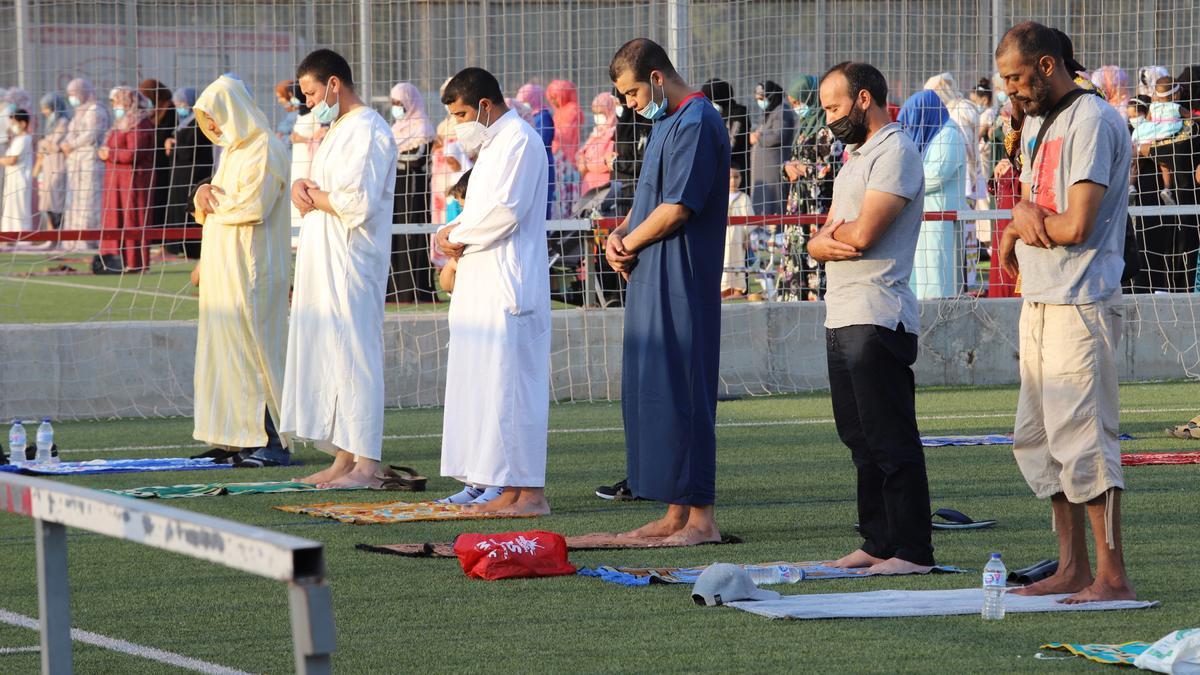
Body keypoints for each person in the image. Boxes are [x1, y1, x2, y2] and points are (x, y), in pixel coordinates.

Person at [995, 21, 1135, 603]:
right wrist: (1016, 226)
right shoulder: (1036, 122)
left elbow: (1076, 223)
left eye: (1016, 78)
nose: (1010, 91)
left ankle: (1112, 577)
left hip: (1080, 301)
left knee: (1084, 441)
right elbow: (1037, 206)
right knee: (1040, 441)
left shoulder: (1094, 120)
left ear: (1048, 65)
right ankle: (1072, 566)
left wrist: (1025, 221)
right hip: (1042, 299)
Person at [806, 61, 934, 574]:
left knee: (889, 435)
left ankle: (912, 550)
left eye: (834, 108)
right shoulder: (856, 156)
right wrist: (824, 240)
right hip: (844, 311)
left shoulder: (896, 151)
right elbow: (828, 234)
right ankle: (878, 540)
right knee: (857, 436)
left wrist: (827, 240)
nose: (828, 119)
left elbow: (861, 235)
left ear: (864, 99)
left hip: (879, 313)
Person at [604, 38, 730, 544]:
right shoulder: (662, 125)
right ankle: (675, 514)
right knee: (654, 393)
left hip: (683, 280)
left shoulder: (699, 121)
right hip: (649, 276)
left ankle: (702, 519)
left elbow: (678, 207)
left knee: (686, 393)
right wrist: (620, 239)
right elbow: (647, 200)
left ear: (656, 77)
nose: (629, 104)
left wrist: (630, 239)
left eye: (632, 92)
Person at [433, 67, 551, 515]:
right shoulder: (492, 148)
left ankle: (526, 492)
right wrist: (450, 230)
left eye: (462, 113)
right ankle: (486, 482)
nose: (459, 124)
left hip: (509, 286)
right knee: (480, 388)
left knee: (511, 389)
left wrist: (458, 236)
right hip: (480, 287)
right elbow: (479, 212)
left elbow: (506, 213)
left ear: (484, 105)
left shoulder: (519, 140)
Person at [282, 48, 398, 488]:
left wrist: (314, 197)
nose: (308, 102)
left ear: (333, 84)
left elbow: (359, 201)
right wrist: (301, 187)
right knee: (333, 356)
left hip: (352, 260)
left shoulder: (368, 128)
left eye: (311, 93)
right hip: (326, 256)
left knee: (355, 357)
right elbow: (322, 188)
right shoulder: (337, 131)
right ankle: (342, 460)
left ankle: (366, 464)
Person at [190, 74, 293, 467]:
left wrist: (210, 202)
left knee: (256, 354)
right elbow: (213, 205)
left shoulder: (266, 147)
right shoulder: (233, 152)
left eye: (214, 117)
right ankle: (232, 437)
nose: (212, 126)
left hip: (253, 273)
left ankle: (270, 440)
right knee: (223, 355)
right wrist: (200, 195)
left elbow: (252, 207)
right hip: (224, 272)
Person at [899, 90, 967, 299]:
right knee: (920, 278)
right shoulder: (932, 136)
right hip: (923, 218)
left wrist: (901, 178)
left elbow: (935, 175)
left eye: (911, 123)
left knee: (937, 277)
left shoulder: (949, 135)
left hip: (940, 221)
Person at [779, 74, 842, 302]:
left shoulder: (829, 129)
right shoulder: (803, 128)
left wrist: (802, 168)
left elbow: (831, 169)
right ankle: (794, 298)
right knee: (796, 252)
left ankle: (816, 301)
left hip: (818, 205)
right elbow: (791, 160)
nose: (797, 108)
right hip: (797, 203)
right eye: (793, 104)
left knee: (816, 255)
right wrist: (787, 168)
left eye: (799, 102)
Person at [387, 82, 437, 304]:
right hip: (395, 188)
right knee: (395, 235)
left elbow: (418, 159)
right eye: (393, 103)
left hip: (414, 188)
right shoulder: (395, 129)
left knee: (413, 234)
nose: (396, 107)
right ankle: (395, 289)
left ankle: (415, 289)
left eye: (400, 103)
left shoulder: (423, 128)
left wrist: (394, 158)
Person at [97, 86, 154, 273]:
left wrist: (110, 153)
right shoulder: (121, 122)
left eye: (116, 101)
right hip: (115, 180)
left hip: (133, 180)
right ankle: (114, 260)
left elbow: (133, 153)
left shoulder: (141, 123)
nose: (113, 106)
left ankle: (135, 262)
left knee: (132, 219)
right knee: (115, 219)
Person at [162, 87, 215, 259]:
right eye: (177, 104)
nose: (180, 107)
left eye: (183, 104)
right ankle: (177, 245)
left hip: (195, 173)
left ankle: (192, 248)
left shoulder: (199, 123)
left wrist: (175, 145)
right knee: (178, 209)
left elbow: (190, 151)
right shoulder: (184, 123)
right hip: (180, 174)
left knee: (193, 208)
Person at [61, 78, 110, 250]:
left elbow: (92, 134)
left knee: (89, 201)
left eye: (74, 94)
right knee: (74, 201)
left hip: (90, 162)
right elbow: (71, 132)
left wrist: (72, 144)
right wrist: (65, 144)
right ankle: (73, 239)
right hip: (75, 162)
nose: (72, 98)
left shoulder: (96, 109)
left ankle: (88, 239)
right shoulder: (78, 112)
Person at [749, 80, 795, 216]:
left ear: (771, 96)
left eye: (762, 98)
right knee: (761, 202)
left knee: (774, 203)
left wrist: (758, 137)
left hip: (774, 168)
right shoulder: (770, 112)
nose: (760, 102)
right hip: (763, 171)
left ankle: (775, 233)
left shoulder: (782, 111)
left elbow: (779, 135)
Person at [139, 79, 177, 229]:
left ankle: (160, 231)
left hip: (163, 161)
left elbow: (163, 134)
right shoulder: (153, 110)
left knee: (161, 196)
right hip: (152, 160)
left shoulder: (169, 109)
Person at [516, 83, 556, 218]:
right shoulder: (529, 115)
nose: (524, 104)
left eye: (526, 100)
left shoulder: (543, 116)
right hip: (531, 164)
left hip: (542, 163)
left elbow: (542, 141)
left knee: (542, 204)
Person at [700, 78, 750, 187]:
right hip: (719, 171)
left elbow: (732, 143)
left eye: (710, 100)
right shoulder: (718, 114)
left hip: (736, 174)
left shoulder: (738, 114)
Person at [35, 94, 71, 233]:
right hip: (48, 166)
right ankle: (52, 234)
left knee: (57, 200)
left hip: (58, 165)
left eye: (47, 108)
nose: (44, 112)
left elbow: (54, 145)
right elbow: (47, 145)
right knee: (47, 201)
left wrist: (42, 143)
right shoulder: (50, 124)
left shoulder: (63, 121)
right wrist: (45, 144)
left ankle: (58, 234)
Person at [548, 79, 582, 218]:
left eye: (556, 97)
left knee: (565, 193)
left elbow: (565, 135)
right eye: (551, 98)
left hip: (567, 157)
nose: (554, 101)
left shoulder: (573, 110)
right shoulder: (558, 112)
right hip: (557, 156)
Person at [288, 81, 318, 235]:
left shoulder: (315, 115)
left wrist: (301, 139)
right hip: (298, 160)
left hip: (308, 161)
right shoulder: (300, 114)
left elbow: (319, 136)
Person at [577, 92, 616, 198]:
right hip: (588, 188)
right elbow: (584, 152)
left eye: (601, 113)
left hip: (602, 188)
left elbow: (608, 162)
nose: (597, 117)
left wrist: (588, 164)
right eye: (595, 113)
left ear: (610, 111)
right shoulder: (595, 133)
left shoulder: (613, 134)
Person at [1, 109, 33, 234]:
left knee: (20, 210)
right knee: (11, 209)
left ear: (23, 123)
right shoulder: (17, 139)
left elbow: (12, 160)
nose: (12, 126)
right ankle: (10, 236)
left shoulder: (25, 139)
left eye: (14, 123)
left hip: (20, 180)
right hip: (12, 180)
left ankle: (22, 237)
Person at [722, 166, 753, 298]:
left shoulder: (744, 198)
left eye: (736, 177)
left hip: (738, 239)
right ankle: (723, 290)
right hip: (723, 238)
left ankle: (737, 290)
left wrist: (748, 237)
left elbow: (750, 219)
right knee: (723, 261)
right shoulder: (720, 196)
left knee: (738, 262)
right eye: (729, 177)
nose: (733, 181)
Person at [1132, 76, 1184, 146]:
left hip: (1154, 131)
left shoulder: (1153, 106)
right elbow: (1192, 116)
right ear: (1175, 96)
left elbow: (1147, 121)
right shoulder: (1176, 107)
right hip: (1169, 129)